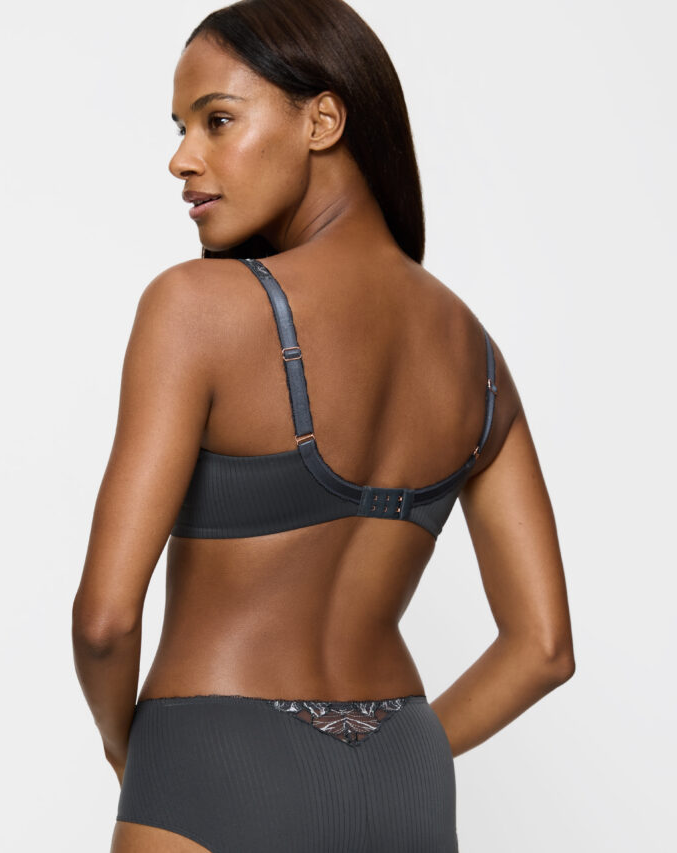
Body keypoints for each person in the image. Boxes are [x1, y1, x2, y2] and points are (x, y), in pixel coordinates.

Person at [71, 1, 575, 850]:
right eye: (181, 128)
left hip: (210, 758)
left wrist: (140, 754)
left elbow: (105, 620)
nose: (181, 158)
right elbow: (544, 645)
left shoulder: (194, 308)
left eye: (217, 120)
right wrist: (403, 759)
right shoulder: (477, 357)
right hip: (406, 778)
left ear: (323, 121)